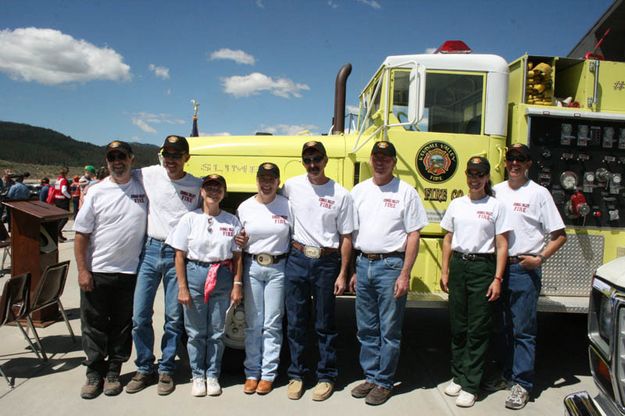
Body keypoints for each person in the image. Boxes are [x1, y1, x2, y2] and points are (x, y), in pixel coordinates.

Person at [349, 141, 429, 405]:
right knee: (366, 328)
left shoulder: (406, 192)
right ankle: (371, 377)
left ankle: (384, 382)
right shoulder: (358, 191)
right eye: (377, 157)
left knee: (389, 330)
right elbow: (351, 233)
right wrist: (353, 270)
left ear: (394, 162)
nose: (380, 162)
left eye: (386, 158)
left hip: (391, 266)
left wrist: (405, 273)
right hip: (363, 263)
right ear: (371, 160)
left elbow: (414, 234)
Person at [127, 135, 202, 396]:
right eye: (167, 155)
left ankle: (167, 369)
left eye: (176, 155)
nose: (170, 160)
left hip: (177, 255)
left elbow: (208, 213)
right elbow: (120, 174)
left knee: (173, 318)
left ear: (186, 158)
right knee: (139, 316)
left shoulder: (196, 185)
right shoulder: (149, 174)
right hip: (149, 250)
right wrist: (92, 186)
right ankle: (145, 367)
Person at [493, 144, 566, 410]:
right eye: (511, 158)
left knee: (523, 331)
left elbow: (559, 235)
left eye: (520, 159)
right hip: (498, 269)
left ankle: (522, 384)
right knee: (502, 327)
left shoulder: (539, 194)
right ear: (505, 162)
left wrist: (540, 258)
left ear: (529, 164)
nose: (514, 163)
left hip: (524, 268)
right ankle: (507, 374)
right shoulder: (495, 191)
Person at [73, 140, 148, 399]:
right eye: (112, 157)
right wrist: (83, 271)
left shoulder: (143, 187)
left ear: (132, 159)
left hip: (130, 272)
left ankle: (114, 371)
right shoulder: (96, 191)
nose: (117, 161)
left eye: (122, 156)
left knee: (122, 325)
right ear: (107, 162)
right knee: (93, 325)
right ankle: (94, 373)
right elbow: (81, 234)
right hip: (98, 270)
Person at [282, 141, 354, 401]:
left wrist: (343, 273)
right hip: (297, 258)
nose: (313, 165)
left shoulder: (341, 194)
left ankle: (326, 376)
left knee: (325, 323)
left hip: (326, 262)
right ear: (303, 162)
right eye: (308, 160)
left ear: (326, 160)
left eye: (317, 159)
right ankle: (297, 374)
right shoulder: (291, 186)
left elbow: (347, 237)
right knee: (296, 321)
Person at [439, 156, 510, 408]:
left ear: (487, 177)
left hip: (483, 267)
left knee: (478, 329)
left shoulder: (495, 206)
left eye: (480, 174)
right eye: (471, 173)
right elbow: (448, 239)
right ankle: (458, 375)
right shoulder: (457, 204)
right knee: (458, 326)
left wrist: (497, 278)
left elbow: (502, 245)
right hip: (459, 265)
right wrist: (445, 270)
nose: (474, 178)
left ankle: (471, 384)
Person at [168, 174, 243, 397]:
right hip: (195, 274)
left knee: (217, 331)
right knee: (195, 332)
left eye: (218, 188)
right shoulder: (189, 219)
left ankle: (213, 374)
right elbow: (179, 256)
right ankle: (198, 375)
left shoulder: (232, 221)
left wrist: (237, 284)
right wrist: (182, 287)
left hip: (222, 275)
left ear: (224, 193)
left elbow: (238, 256)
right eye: (209, 188)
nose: (213, 192)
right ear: (201, 192)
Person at [237, 162, 291, 395]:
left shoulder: (287, 206)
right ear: (257, 181)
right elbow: (236, 242)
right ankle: (251, 373)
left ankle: (268, 374)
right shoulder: (245, 207)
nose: (266, 183)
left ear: (278, 182)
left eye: (271, 179)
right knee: (253, 323)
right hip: (252, 267)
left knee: (272, 323)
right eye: (262, 178)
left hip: (278, 268)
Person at [54, 166, 71, 241]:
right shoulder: (64, 180)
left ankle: (59, 234)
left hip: (57, 199)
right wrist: (69, 196)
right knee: (65, 218)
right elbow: (63, 190)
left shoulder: (58, 180)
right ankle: (57, 232)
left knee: (60, 217)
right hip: (63, 200)